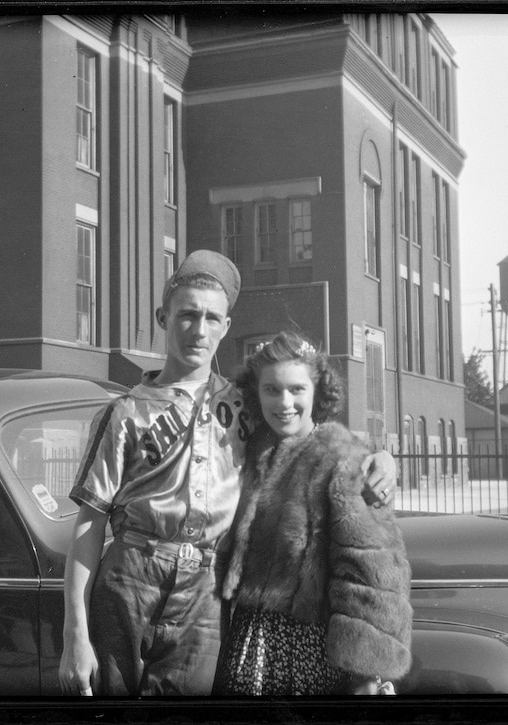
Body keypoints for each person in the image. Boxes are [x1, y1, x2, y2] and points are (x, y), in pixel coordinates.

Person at [59, 250, 396, 696]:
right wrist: (74, 636)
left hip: (205, 589)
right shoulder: (124, 412)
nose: (199, 330)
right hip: (130, 577)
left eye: (211, 318)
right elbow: (90, 522)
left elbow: (306, 432)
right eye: (187, 315)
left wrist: (381, 456)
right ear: (163, 317)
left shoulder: (246, 405)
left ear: (226, 327)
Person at [214, 331, 412, 696]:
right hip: (245, 642)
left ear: (317, 390)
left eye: (296, 389)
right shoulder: (251, 451)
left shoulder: (344, 460)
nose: (284, 402)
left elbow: (370, 575)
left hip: (309, 653)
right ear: (255, 393)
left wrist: (366, 673)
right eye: (271, 389)